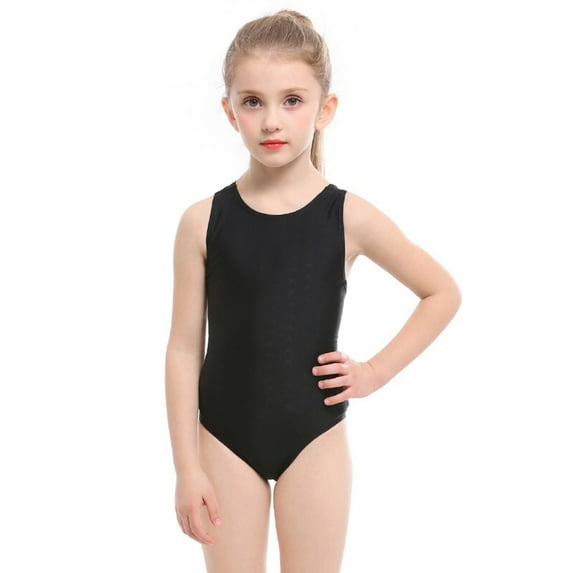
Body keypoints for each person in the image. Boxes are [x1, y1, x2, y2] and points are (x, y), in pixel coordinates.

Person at [165, 9, 461, 573]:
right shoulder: (201, 221)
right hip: (223, 439)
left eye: (292, 100)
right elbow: (183, 348)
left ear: (325, 109)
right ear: (229, 111)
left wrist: (373, 373)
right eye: (253, 102)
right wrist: (187, 467)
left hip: (314, 438)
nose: (271, 120)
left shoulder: (348, 216)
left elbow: (441, 292)